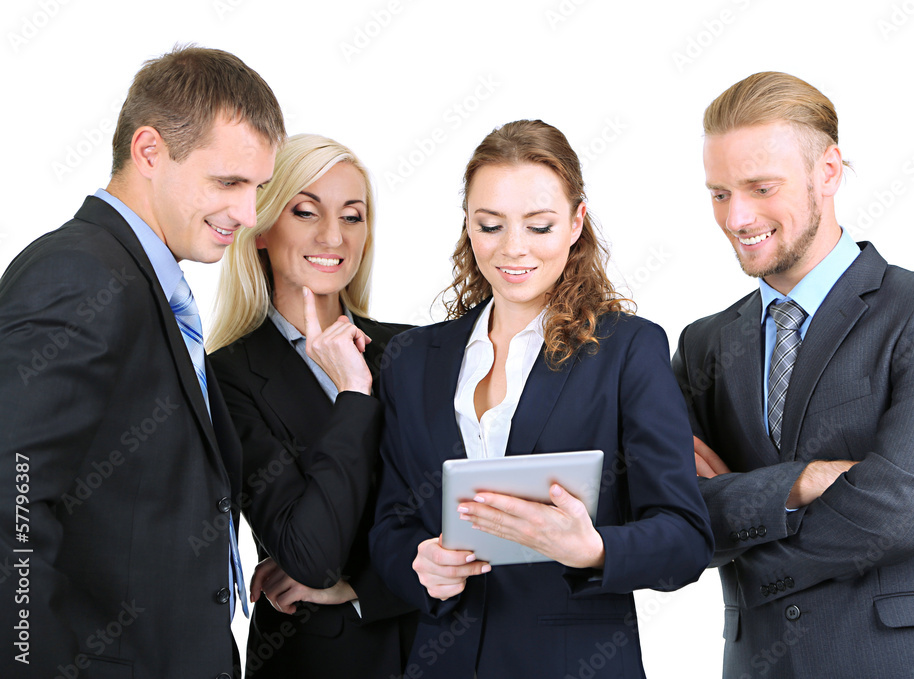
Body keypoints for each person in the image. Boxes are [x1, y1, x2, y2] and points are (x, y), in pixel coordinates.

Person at [671, 71, 914, 677]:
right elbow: (671, 520)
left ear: (828, 171)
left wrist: (743, 518)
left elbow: (902, 513)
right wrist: (811, 481)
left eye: (760, 187)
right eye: (719, 193)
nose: (737, 217)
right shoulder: (703, 346)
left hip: (910, 660)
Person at [369, 119, 713, 678]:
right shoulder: (412, 359)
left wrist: (594, 548)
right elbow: (390, 525)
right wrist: (421, 566)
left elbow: (686, 538)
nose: (513, 249)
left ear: (577, 223)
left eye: (539, 226)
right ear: (468, 225)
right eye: (490, 225)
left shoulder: (628, 350)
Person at [0, 46, 284, 679]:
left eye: (257, 188)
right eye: (228, 182)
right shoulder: (77, 274)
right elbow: (11, 500)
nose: (247, 214)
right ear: (150, 151)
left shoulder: (141, 280)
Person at [207, 133, 416, 678]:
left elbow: (466, 519)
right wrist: (353, 393)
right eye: (305, 212)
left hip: (435, 645)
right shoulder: (225, 377)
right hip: (316, 661)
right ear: (260, 229)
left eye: (353, 216)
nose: (333, 235)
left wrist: (359, 586)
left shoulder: (416, 352)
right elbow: (311, 555)